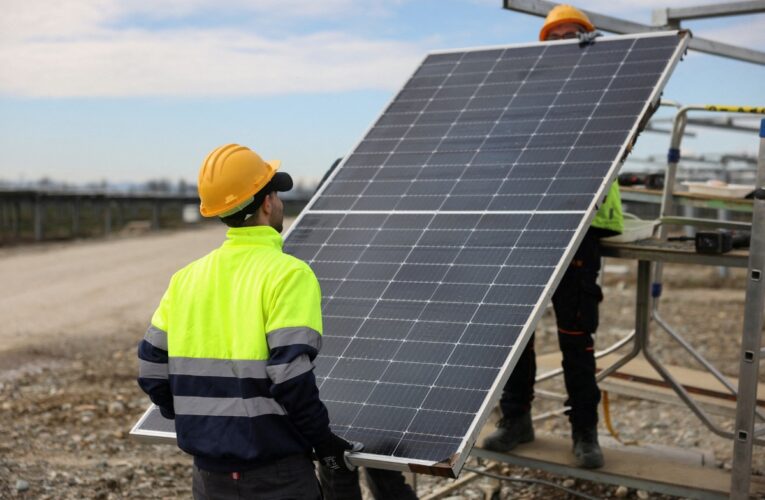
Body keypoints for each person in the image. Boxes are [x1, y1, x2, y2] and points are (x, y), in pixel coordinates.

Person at [137, 143, 361, 499]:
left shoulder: (186, 278)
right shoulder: (288, 274)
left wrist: (200, 420)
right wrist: (324, 444)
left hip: (209, 476)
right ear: (268, 202)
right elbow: (290, 377)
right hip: (277, 476)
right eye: (277, 193)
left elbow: (151, 369)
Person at [483, 5, 624, 470]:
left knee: (575, 335)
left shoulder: (609, 84)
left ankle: (584, 432)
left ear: (589, 37)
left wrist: (604, 60)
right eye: (555, 37)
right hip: (526, 223)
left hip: (580, 225)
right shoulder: (528, 94)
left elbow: (640, 106)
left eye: (574, 35)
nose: (564, 42)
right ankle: (516, 420)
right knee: (514, 333)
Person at [313, 157, 420, 500]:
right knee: (347, 471)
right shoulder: (320, 246)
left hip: (364, 374)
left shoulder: (388, 239)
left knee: (364, 470)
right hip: (345, 375)